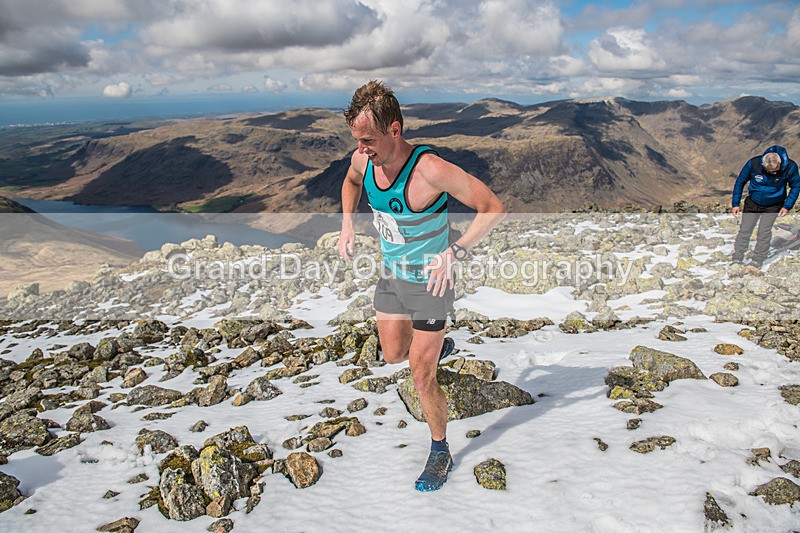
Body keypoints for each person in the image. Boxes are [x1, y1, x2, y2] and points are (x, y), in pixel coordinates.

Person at [337, 80, 506, 492]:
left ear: (394, 130)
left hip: (431, 282)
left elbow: (493, 208)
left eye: (368, 140)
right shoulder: (364, 162)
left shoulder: (430, 170)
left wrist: (457, 251)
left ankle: (439, 449)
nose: (362, 149)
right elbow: (351, 183)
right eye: (357, 141)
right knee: (393, 354)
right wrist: (346, 223)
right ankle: (436, 346)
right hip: (392, 276)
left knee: (419, 375)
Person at [731, 145, 799, 267]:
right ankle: (737, 257)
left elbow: (796, 186)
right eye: (769, 171)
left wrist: (787, 206)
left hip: (773, 205)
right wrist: (735, 203)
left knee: (764, 232)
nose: (773, 173)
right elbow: (740, 182)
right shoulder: (754, 163)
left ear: (780, 163)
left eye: (775, 171)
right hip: (752, 202)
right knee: (745, 230)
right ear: (763, 165)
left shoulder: (790, 167)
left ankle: (758, 259)